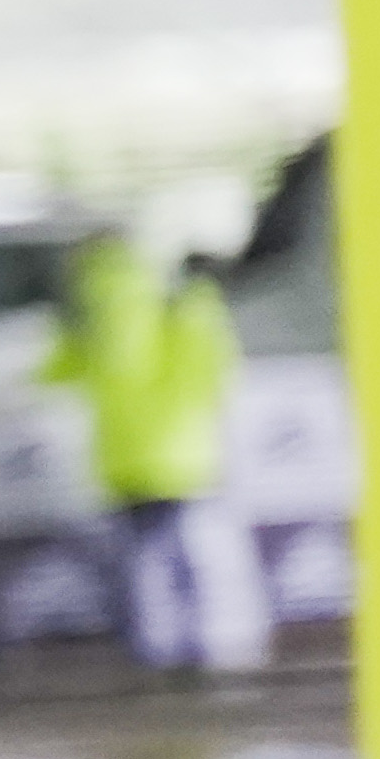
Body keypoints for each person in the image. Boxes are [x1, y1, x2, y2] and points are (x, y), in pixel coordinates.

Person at [51, 229, 261, 674]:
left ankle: (154, 655)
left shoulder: (90, 317)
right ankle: (216, 651)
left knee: (144, 566)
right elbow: (217, 367)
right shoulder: (175, 305)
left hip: (122, 461)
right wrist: (203, 298)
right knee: (199, 562)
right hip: (187, 455)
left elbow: (56, 374)